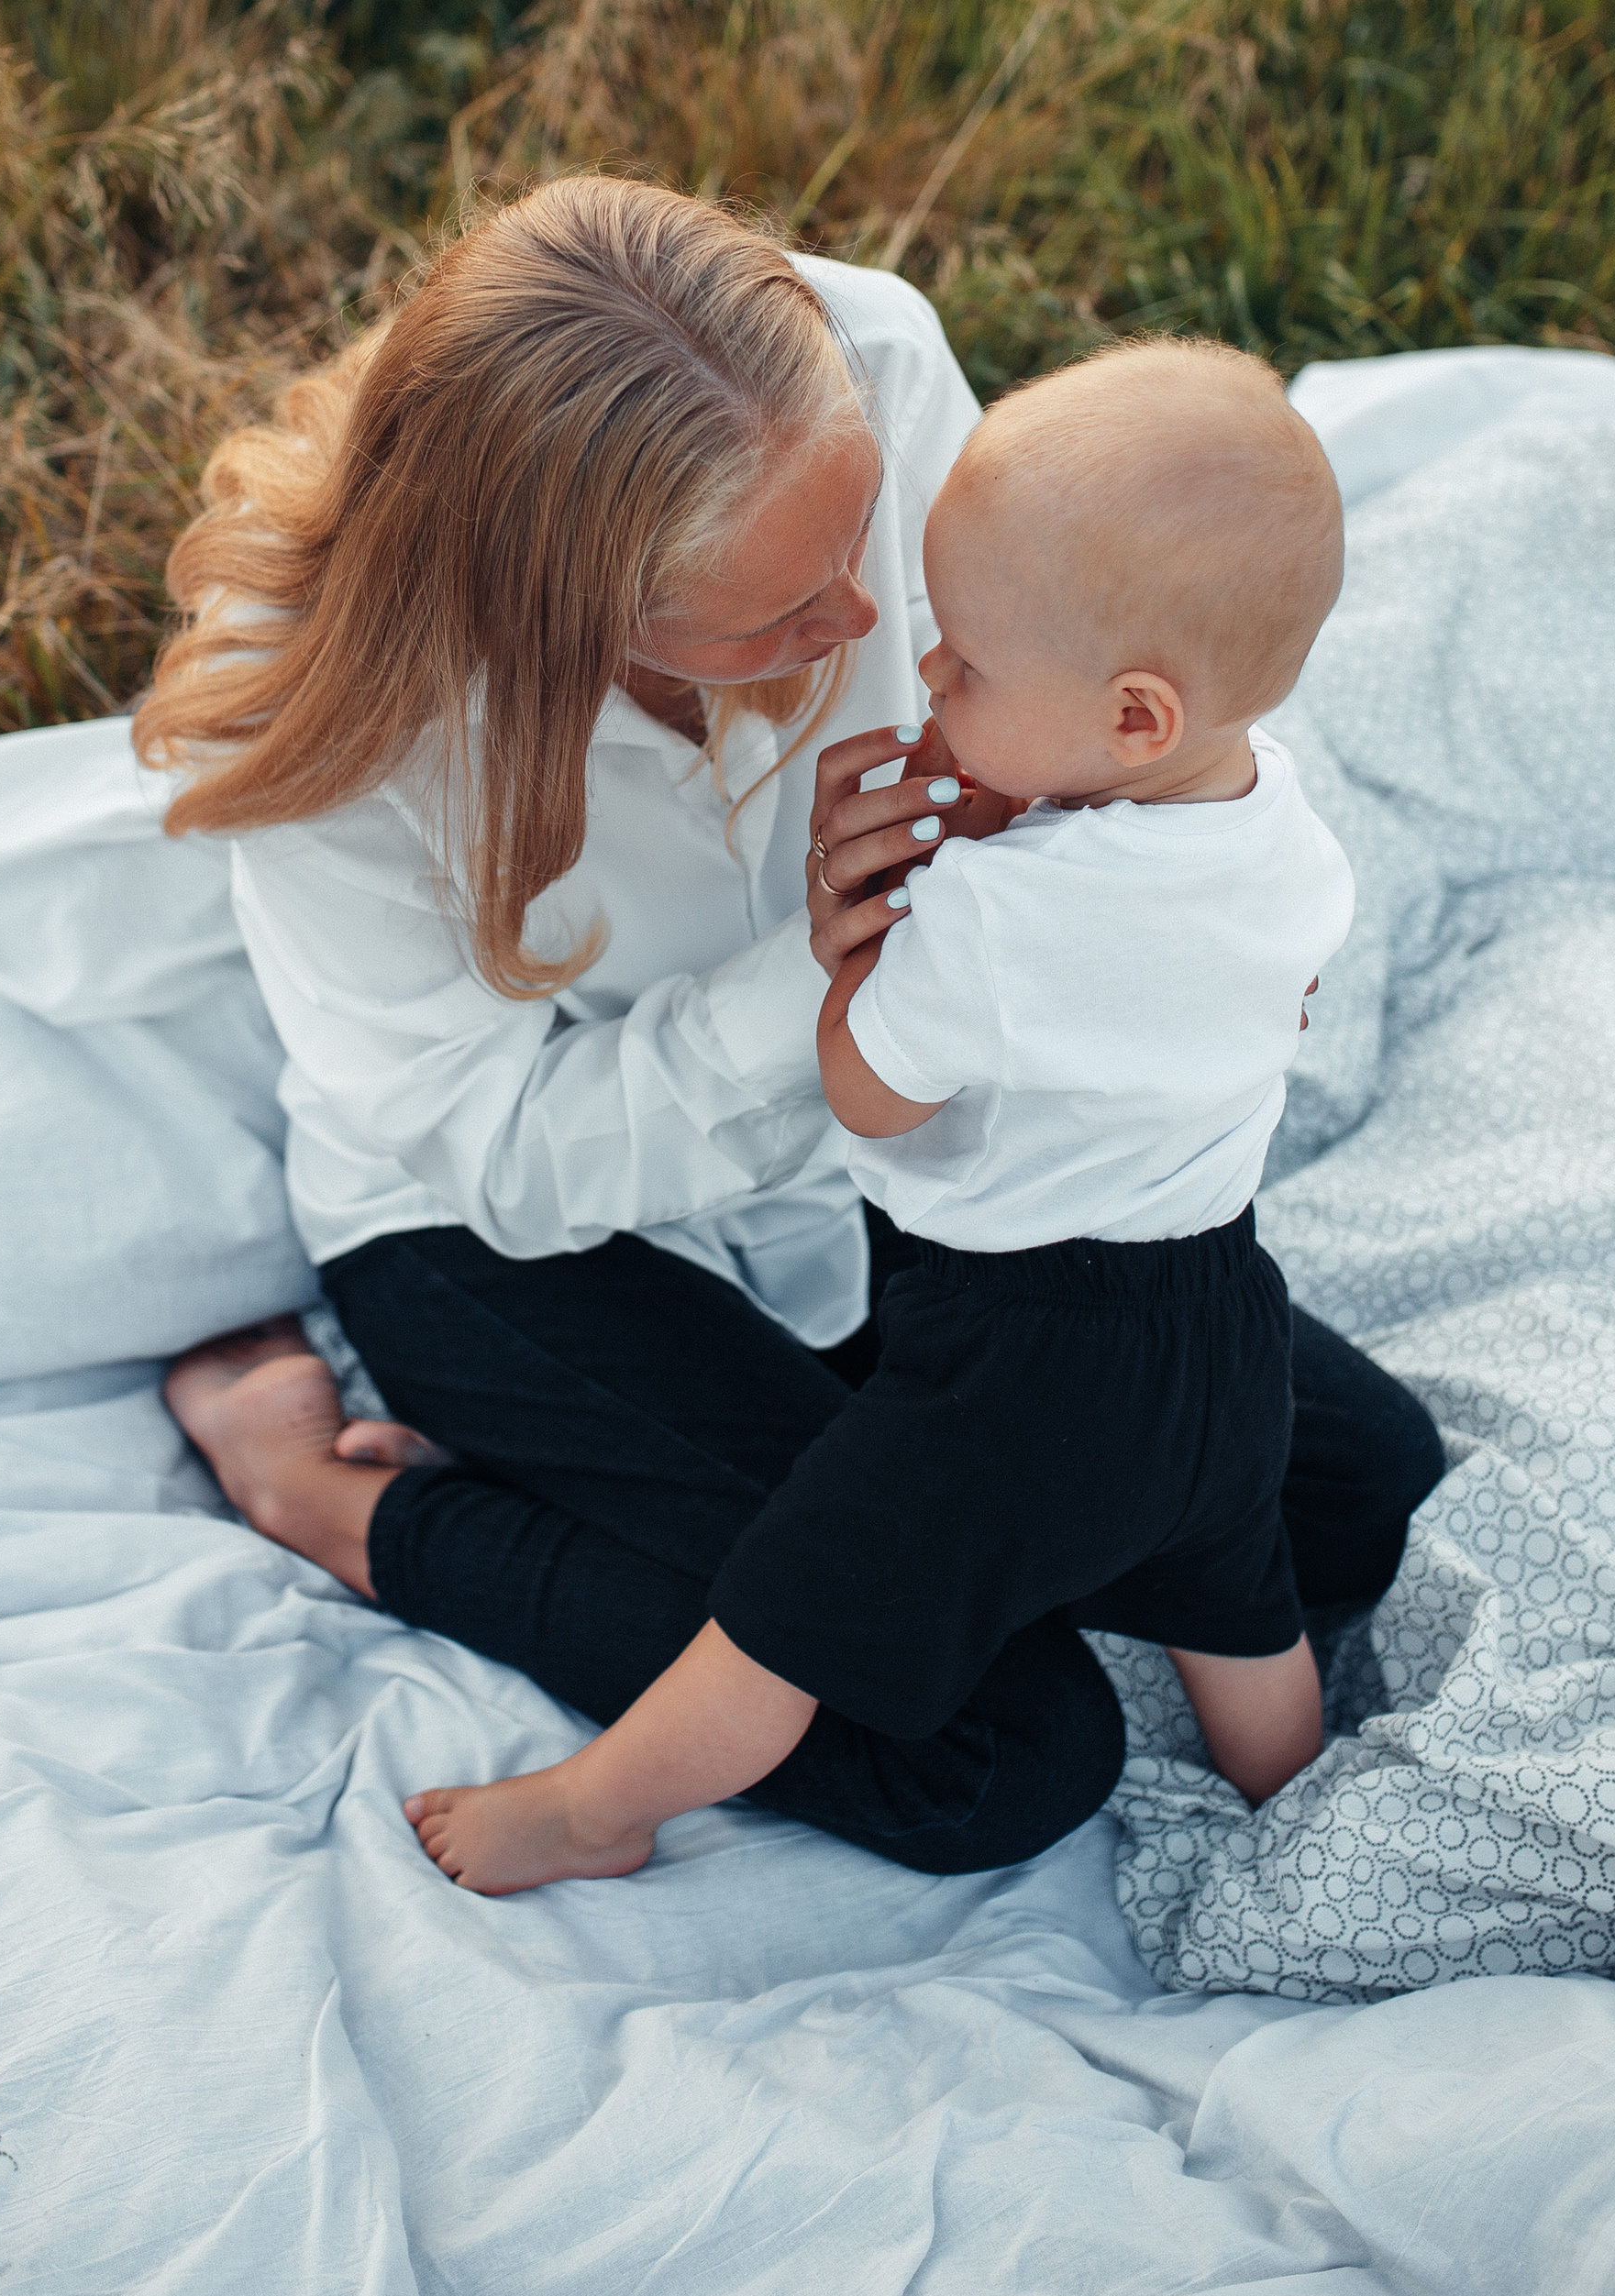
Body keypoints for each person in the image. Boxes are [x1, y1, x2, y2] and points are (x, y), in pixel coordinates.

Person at [139, 178, 1443, 1878]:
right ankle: (341, 1501)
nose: (869, 624)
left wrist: (1192, 919)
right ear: (569, 618)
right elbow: (505, 1160)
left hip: (885, 1168)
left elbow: (1100, 682)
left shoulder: (868, 368)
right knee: (995, 1752)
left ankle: (749, 1491)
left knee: (1347, 1492)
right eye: (781, 611)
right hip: (522, 1235)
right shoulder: (327, 722)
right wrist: (824, 983)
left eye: (867, 550)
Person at [405, 340, 1353, 1893]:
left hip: (1018, 1356)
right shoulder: (1284, 824)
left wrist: (857, 953)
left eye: (966, 663)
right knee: (1236, 1602)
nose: (925, 673)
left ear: (1128, 717)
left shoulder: (990, 913)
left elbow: (873, 1092)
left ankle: (595, 1809)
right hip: (1223, 1319)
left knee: (786, 1620)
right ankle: (1303, 1818)